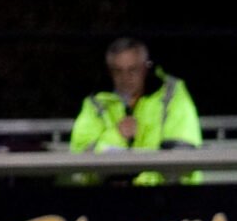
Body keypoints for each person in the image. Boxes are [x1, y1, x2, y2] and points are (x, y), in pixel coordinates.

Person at [67, 36, 201, 186]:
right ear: (110, 72)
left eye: (133, 69)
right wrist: (117, 135)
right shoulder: (95, 104)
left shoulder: (172, 95)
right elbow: (80, 169)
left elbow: (182, 160)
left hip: (165, 197)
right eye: (118, 71)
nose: (126, 78)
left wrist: (137, 182)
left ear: (146, 67)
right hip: (108, 198)